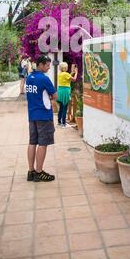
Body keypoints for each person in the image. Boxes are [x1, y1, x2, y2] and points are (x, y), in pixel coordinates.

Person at [25, 54, 58, 182]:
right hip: (44, 116)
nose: (49, 67)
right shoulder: (44, 79)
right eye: (47, 65)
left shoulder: (29, 77)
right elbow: (55, 96)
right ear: (40, 65)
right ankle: (39, 172)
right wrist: (48, 98)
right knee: (43, 143)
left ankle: (31, 171)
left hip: (32, 115)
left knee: (32, 142)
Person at [57, 62, 78, 128]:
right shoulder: (66, 74)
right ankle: (64, 123)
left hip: (60, 91)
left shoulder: (60, 74)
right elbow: (74, 79)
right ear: (65, 68)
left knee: (61, 107)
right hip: (65, 91)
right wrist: (76, 73)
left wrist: (72, 72)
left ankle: (59, 122)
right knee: (65, 108)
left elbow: (68, 76)